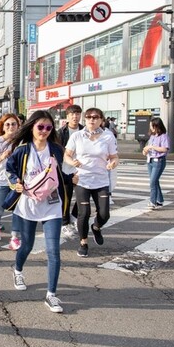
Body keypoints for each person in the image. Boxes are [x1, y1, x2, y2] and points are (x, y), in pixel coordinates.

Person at [5, 110, 68, 313]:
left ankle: (51, 295)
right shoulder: (23, 150)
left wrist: (72, 178)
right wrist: (15, 183)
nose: (44, 131)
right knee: (27, 246)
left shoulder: (56, 149)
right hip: (28, 205)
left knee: (53, 251)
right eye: (40, 127)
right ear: (32, 127)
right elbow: (10, 169)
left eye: (48, 127)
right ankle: (17, 269)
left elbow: (62, 173)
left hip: (51, 205)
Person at [64, 107, 119, 257]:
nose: (91, 120)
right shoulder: (77, 136)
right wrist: (72, 162)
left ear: (101, 120)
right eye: (88, 117)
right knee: (84, 213)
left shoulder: (108, 136)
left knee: (104, 214)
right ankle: (83, 242)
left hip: (101, 181)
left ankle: (96, 227)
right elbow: (66, 155)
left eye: (95, 117)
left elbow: (114, 157)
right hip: (83, 180)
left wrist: (113, 163)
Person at [0, 113, 20, 245]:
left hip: (17, 180)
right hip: (0, 180)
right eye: (7, 124)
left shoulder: (21, 141)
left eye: (13, 124)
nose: (11, 127)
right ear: (3, 126)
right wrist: (1, 157)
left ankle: (15, 236)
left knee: (18, 209)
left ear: (18, 126)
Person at [58, 104, 83, 239]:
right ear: (67, 116)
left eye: (78, 114)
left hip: (81, 171)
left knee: (82, 197)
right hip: (66, 170)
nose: (75, 117)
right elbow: (57, 152)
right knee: (65, 198)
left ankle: (73, 217)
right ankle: (65, 223)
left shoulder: (85, 131)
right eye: (72, 114)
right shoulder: (61, 132)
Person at [143, 117, 169, 210]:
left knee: (152, 182)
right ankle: (160, 200)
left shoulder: (163, 136)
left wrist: (152, 147)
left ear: (157, 126)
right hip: (150, 160)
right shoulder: (152, 136)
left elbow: (165, 149)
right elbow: (148, 148)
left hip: (159, 161)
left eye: (152, 126)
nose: (150, 128)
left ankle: (152, 201)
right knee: (155, 181)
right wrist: (145, 150)